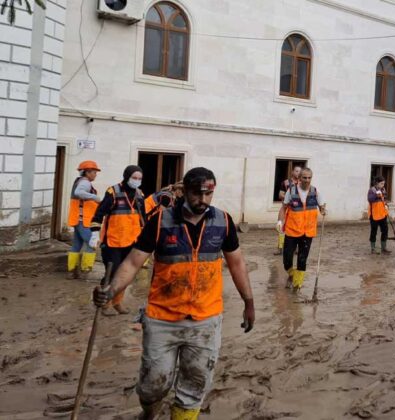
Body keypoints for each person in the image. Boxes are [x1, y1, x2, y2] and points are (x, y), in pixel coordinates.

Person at [93, 167, 255, 420]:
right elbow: (134, 263)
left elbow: (237, 263)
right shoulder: (161, 221)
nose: (203, 200)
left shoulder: (223, 221)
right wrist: (111, 289)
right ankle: (148, 412)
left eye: (208, 194)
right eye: (196, 193)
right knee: (151, 386)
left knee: (194, 387)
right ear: (184, 191)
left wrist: (249, 302)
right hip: (162, 319)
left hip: (205, 320)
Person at [89, 165, 147, 316]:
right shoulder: (113, 192)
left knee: (125, 275)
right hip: (113, 242)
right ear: (127, 176)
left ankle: (116, 302)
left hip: (132, 241)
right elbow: (98, 214)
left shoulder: (140, 194)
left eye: (140, 178)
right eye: (134, 178)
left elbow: (144, 219)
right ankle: (105, 304)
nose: (137, 181)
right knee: (112, 273)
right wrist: (94, 234)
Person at [276, 167, 326, 290]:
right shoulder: (291, 191)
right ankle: (291, 274)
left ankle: (297, 285)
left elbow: (322, 206)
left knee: (302, 260)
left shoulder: (315, 192)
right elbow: (284, 208)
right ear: (299, 178)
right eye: (304, 177)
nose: (307, 180)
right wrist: (279, 221)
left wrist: (324, 210)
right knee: (287, 259)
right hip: (292, 230)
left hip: (308, 232)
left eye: (309, 178)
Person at [67, 161, 102, 279]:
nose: (95, 174)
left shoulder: (80, 181)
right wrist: (96, 198)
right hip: (84, 220)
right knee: (92, 243)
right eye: (94, 172)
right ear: (87, 172)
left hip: (78, 219)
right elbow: (79, 193)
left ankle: (72, 271)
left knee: (76, 245)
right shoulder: (85, 183)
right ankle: (85, 271)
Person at [275, 165, 303, 256]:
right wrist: (290, 197)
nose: (298, 173)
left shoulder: (302, 183)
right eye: (296, 171)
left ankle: (296, 249)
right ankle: (280, 248)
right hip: (285, 209)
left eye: (300, 171)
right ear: (292, 172)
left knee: (298, 228)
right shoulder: (286, 183)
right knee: (281, 228)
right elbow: (280, 195)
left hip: (297, 211)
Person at [367, 176, 391, 254]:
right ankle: (373, 248)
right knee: (374, 231)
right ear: (377, 183)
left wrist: (386, 205)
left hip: (382, 214)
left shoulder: (383, 190)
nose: (383, 185)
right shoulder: (372, 190)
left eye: (383, 183)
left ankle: (383, 248)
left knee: (385, 230)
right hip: (374, 215)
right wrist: (376, 195)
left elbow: (385, 199)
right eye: (381, 183)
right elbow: (370, 199)